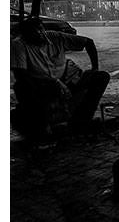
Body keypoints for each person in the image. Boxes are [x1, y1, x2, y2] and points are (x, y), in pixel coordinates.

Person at [11, 17, 110, 146]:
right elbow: (21, 75)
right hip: (40, 83)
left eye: (40, 29)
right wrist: (54, 83)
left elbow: (88, 43)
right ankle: (42, 129)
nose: (39, 33)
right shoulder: (19, 45)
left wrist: (94, 68)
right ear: (25, 34)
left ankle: (81, 120)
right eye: (33, 31)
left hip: (66, 78)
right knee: (23, 87)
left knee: (101, 77)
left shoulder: (55, 37)